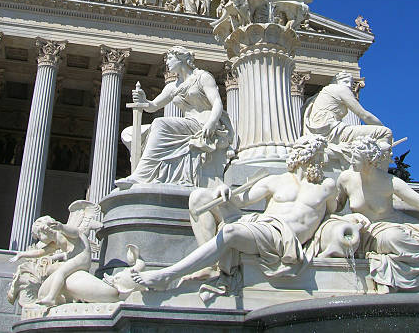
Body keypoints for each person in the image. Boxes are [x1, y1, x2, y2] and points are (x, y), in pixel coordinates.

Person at [129, 135, 336, 290]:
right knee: (200, 197)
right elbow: (240, 200)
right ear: (304, 157)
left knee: (231, 232)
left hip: (282, 237)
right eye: (318, 156)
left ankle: (167, 275)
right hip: (261, 224)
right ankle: (209, 267)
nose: (321, 161)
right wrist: (222, 190)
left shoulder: (327, 186)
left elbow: (332, 215)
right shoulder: (276, 180)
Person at [116, 46, 232, 187]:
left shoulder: (202, 77)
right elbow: (153, 106)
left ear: (181, 59)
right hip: (188, 124)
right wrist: (143, 101)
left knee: (160, 123)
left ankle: (141, 175)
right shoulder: (172, 86)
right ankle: (153, 172)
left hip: (204, 124)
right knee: (129, 133)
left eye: (170, 59)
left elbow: (217, 103)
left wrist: (212, 123)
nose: (167, 63)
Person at [336, 136, 419, 292]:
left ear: (369, 160)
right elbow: (334, 208)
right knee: (394, 237)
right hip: (372, 231)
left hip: (398, 222)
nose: (351, 161)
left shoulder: (390, 182)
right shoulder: (345, 179)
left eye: (355, 157)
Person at [303, 71, 393, 148]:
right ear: (337, 81)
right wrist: (382, 127)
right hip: (331, 131)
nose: (349, 85)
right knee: (385, 132)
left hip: (321, 129)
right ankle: (378, 164)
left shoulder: (322, 93)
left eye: (350, 83)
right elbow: (364, 115)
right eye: (346, 81)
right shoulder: (341, 89)